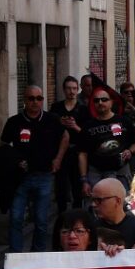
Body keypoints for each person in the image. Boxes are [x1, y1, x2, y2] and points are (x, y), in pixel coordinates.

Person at [0, 85, 69, 252]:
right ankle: (16, 257)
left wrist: (58, 158)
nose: (35, 102)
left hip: (44, 176)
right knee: (16, 218)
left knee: (41, 220)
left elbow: (65, 136)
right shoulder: (14, 122)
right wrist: (15, 161)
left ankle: (37, 256)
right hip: (20, 178)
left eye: (39, 98)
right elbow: (4, 146)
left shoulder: (51, 119)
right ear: (24, 100)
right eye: (31, 98)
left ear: (43, 100)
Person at [79, 85, 135, 194]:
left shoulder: (124, 121)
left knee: (123, 206)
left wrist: (130, 151)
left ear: (111, 102)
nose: (100, 103)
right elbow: (83, 154)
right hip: (96, 174)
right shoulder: (88, 126)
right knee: (97, 207)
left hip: (120, 173)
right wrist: (84, 180)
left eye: (104, 99)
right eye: (96, 101)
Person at [49, 76, 89, 212]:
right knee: (60, 188)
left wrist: (75, 126)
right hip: (60, 153)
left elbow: (88, 134)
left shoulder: (83, 109)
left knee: (77, 189)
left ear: (77, 90)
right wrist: (59, 123)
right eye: (68, 88)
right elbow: (50, 129)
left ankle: (77, 217)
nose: (71, 91)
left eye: (74, 88)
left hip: (77, 153)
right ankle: (62, 218)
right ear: (63, 90)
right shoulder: (56, 107)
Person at [90, 178, 135, 249]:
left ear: (117, 201)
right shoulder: (92, 228)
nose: (93, 204)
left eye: (98, 200)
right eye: (92, 200)